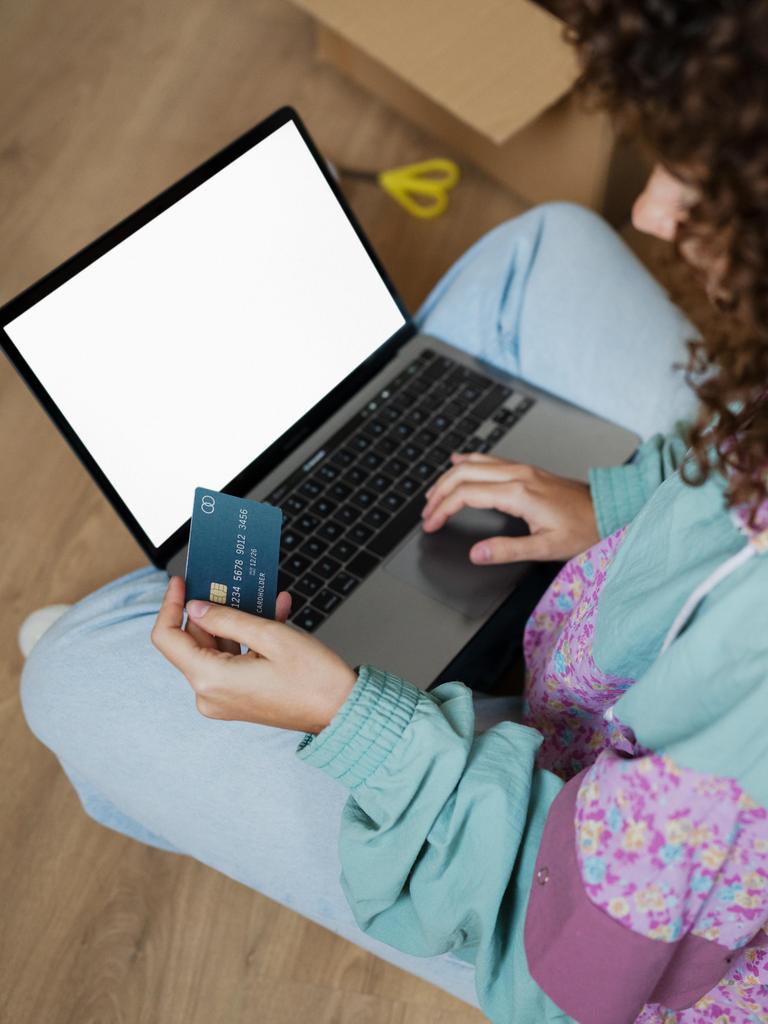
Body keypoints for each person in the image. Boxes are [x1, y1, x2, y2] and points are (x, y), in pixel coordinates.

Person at [18, 2, 768, 1021]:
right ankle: (386, 424)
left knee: (75, 675)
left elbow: (568, 961)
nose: (656, 211)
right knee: (541, 250)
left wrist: (350, 719)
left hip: (596, 912)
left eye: (698, 180)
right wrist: (621, 499)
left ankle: (164, 739)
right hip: (652, 628)